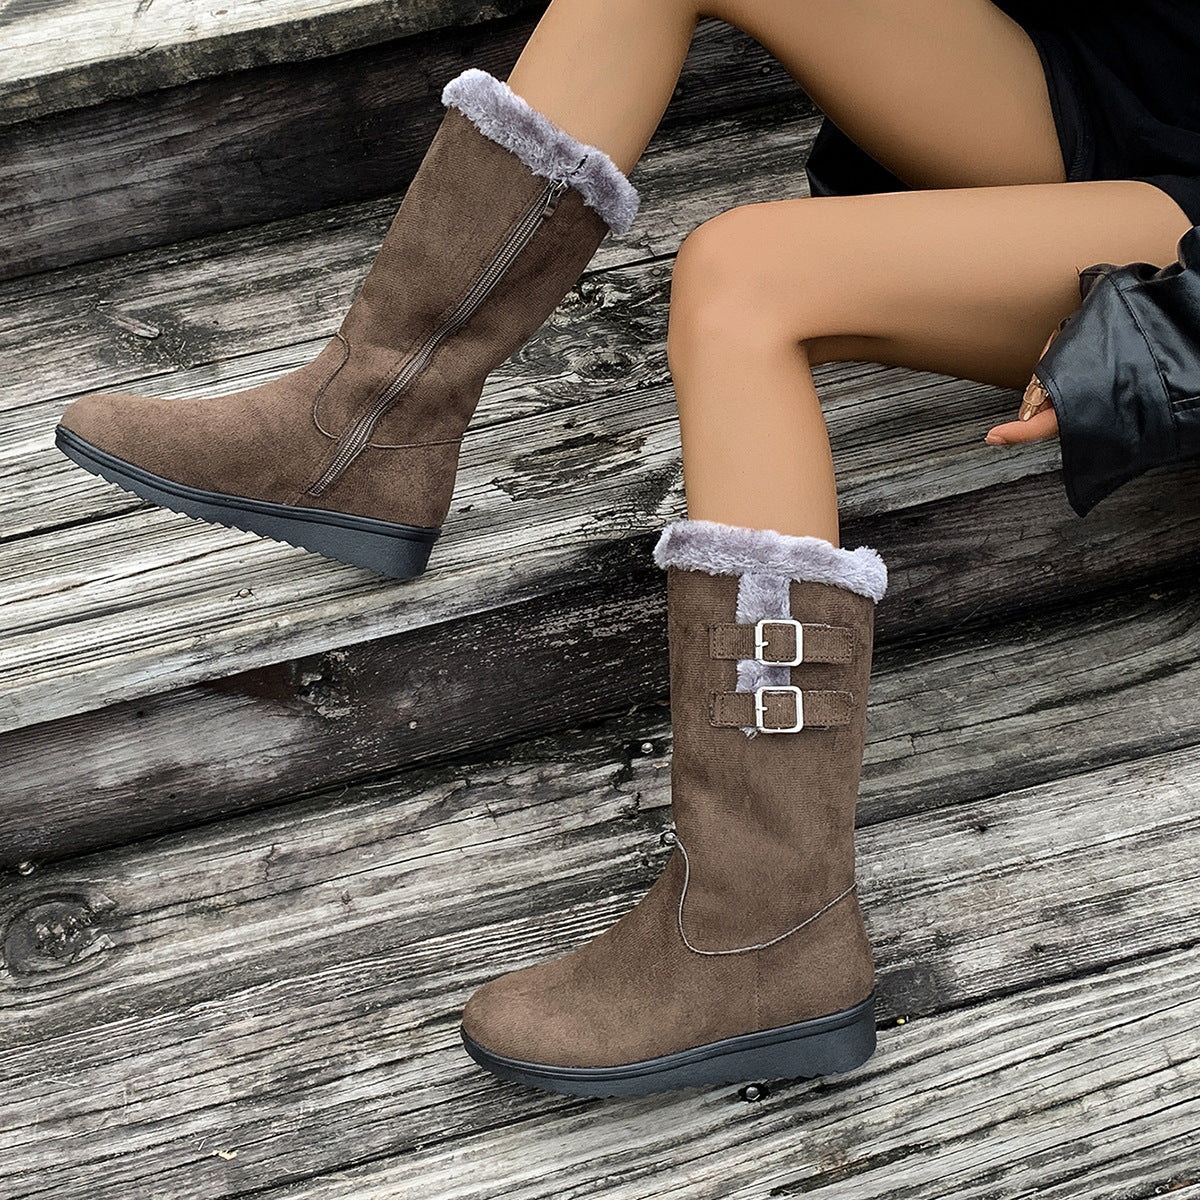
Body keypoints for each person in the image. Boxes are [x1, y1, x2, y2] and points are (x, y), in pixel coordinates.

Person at [53, 1, 1200, 1096]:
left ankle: (763, 922)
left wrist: (1165, 330)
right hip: (1119, 85)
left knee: (744, 280)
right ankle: (368, 419)